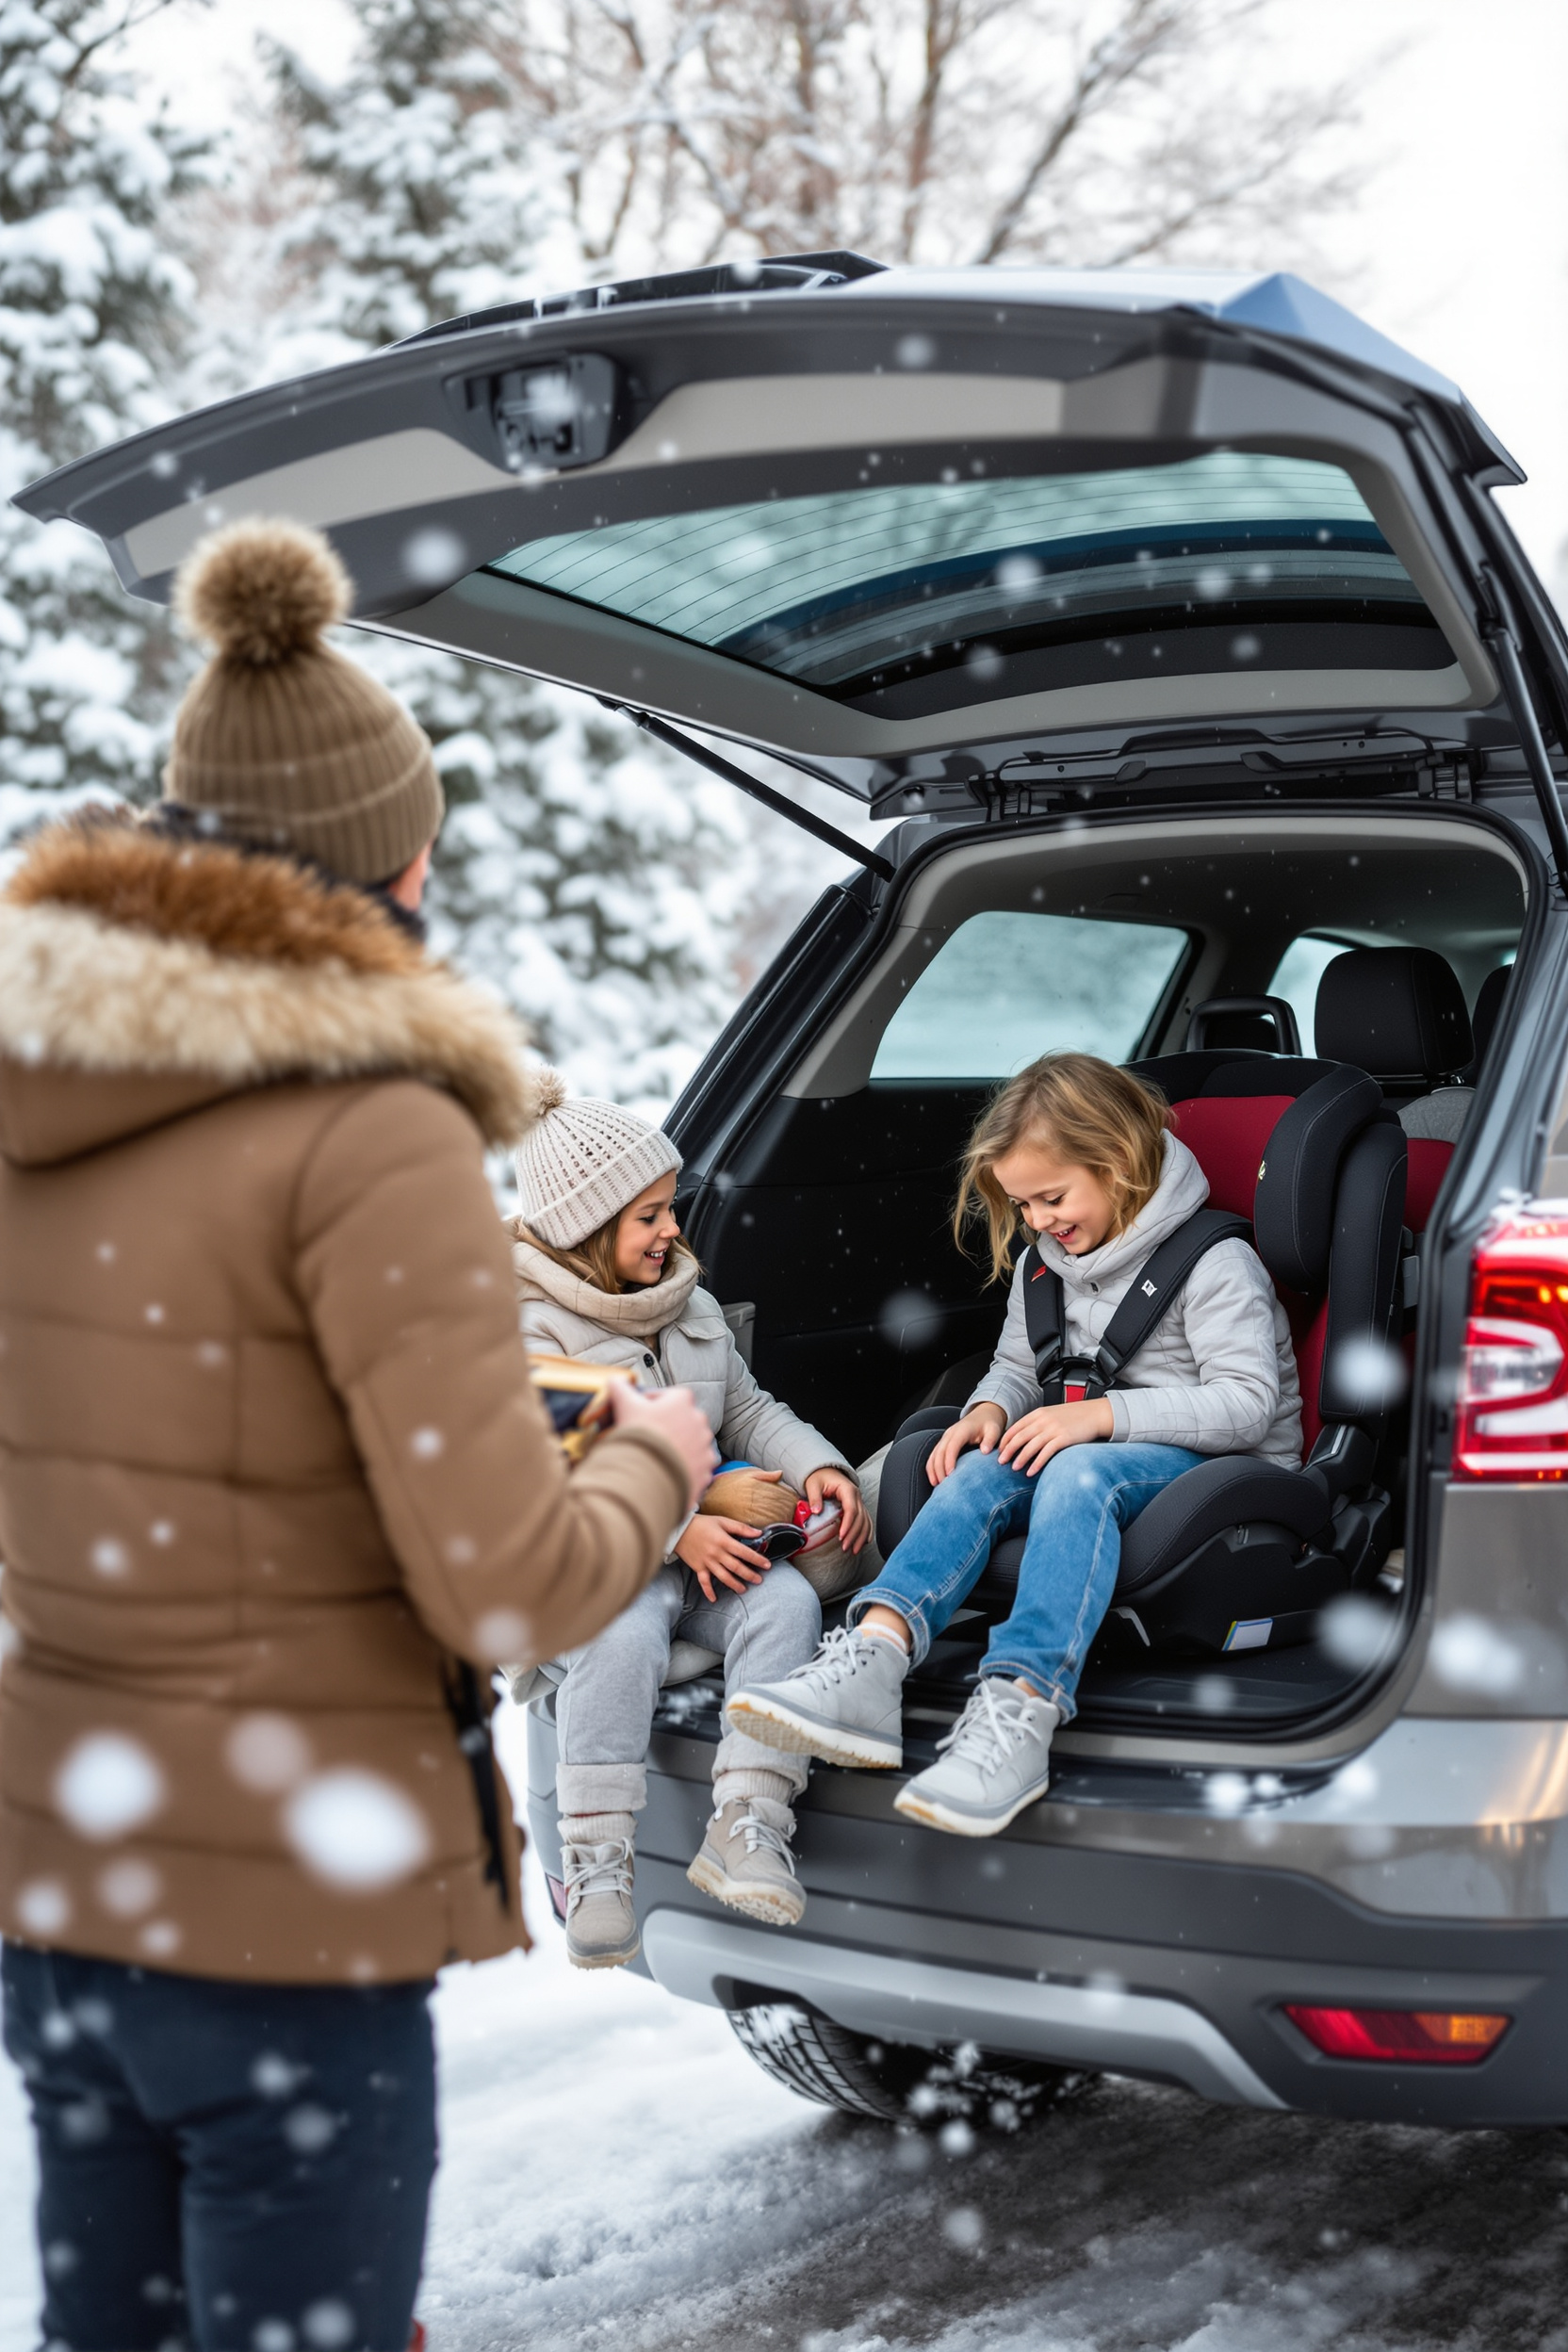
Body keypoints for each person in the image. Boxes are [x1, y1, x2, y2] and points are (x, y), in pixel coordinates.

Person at [0, 519, 715, 2352]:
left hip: (67, 1899)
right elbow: (503, 1590)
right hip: (287, 1940)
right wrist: (650, 1453)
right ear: (391, 866)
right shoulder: (368, 1129)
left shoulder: (38, 1088)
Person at [727, 1051, 1302, 1837]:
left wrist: (1096, 1420)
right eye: (1023, 1204)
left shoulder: (1214, 1264)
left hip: (1225, 1466)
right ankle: (878, 1652)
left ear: (1120, 1161)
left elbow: (1246, 1404)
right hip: (1095, 1444)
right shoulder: (1046, 1263)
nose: (1037, 1220)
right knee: (979, 1469)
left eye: (1053, 1197)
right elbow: (1015, 1365)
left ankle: (1022, 1708)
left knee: (1078, 1475)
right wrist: (989, 1411)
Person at [510, 1080, 870, 1962]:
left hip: (691, 1565)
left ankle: (748, 1817)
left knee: (784, 1603)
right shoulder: (528, 1334)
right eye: (648, 1217)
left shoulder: (688, 1306)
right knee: (620, 1631)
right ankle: (599, 1857)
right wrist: (684, 1527)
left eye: (669, 1209)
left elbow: (748, 1410)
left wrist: (818, 1464)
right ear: (585, 1232)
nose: (673, 1230)